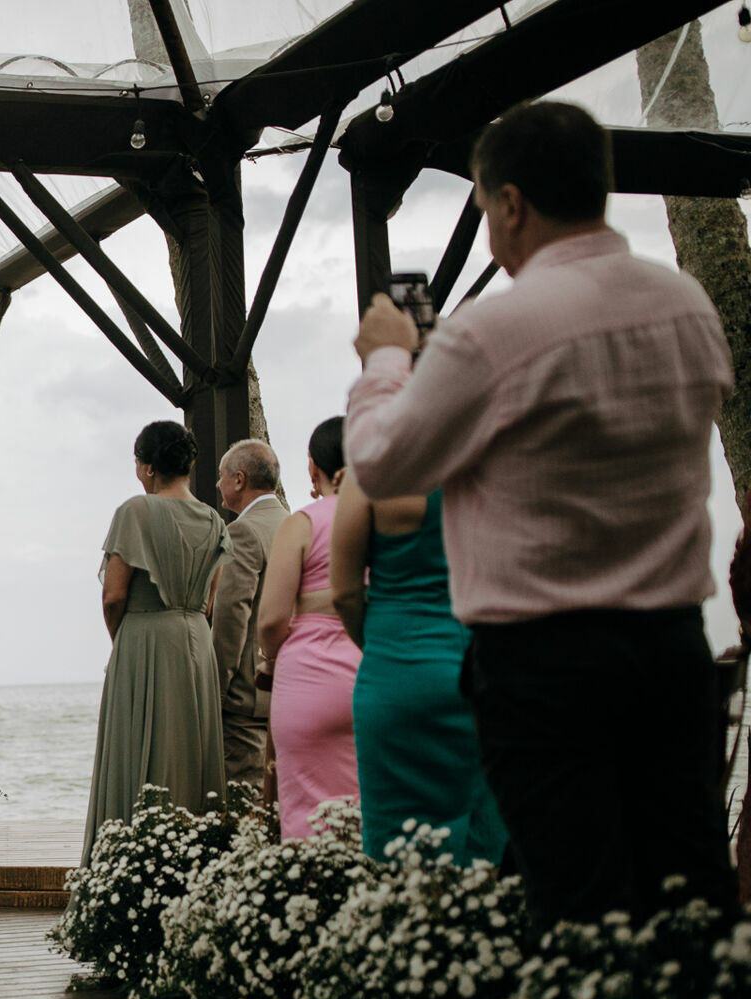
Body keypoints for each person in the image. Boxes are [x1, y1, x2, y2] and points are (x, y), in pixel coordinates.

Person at [346, 100, 739, 926]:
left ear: (512, 204)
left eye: (486, 207)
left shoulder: (495, 333)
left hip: (545, 663)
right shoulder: (686, 308)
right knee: (687, 889)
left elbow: (383, 462)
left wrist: (387, 358)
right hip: (672, 649)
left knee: (574, 898)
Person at [332, 472, 504, 866]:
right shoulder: (481, 470)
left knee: (393, 848)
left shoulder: (369, 479)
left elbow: (344, 595)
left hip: (394, 673)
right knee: (482, 843)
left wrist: (380, 647)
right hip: (477, 671)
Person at [81, 420, 229, 852]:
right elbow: (209, 600)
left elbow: (114, 595)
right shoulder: (213, 519)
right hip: (196, 642)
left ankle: (130, 861)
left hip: (144, 638)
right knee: (192, 754)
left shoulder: (136, 511)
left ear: (147, 468)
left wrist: (124, 640)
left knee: (135, 753)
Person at [258, 418, 361, 840]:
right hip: (376, 668)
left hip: (309, 681)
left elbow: (270, 619)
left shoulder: (302, 523)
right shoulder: (390, 520)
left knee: (308, 812)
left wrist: (272, 656)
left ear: (313, 469)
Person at [209, 439, 287, 794]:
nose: (217, 485)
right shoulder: (294, 525)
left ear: (239, 480)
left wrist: (215, 691)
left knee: (245, 802)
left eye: (221, 476)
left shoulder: (243, 531)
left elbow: (230, 619)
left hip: (248, 698)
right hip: (290, 687)